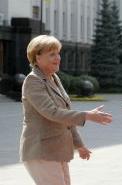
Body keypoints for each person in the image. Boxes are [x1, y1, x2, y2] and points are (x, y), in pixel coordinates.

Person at [20, 35, 112, 185]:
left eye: (58, 53)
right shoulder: (33, 81)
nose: (58, 58)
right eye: (52, 54)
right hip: (41, 151)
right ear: (37, 57)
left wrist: (79, 145)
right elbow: (52, 113)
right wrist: (87, 115)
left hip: (57, 151)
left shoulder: (54, 78)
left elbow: (66, 117)